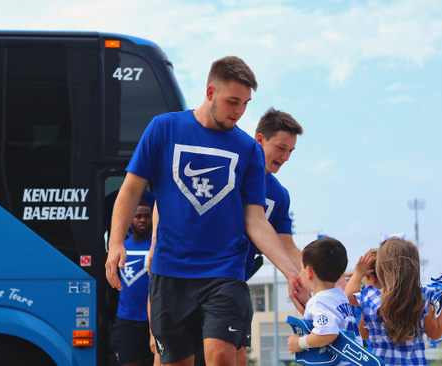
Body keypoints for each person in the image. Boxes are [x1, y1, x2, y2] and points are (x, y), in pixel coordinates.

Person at [105, 56, 302, 366]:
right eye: (232, 101)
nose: (239, 111)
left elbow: (255, 218)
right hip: (170, 271)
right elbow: (131, 189)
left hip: (224, 272)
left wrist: (291, 272)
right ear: (211, 93)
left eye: (245, 104)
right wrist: (116, 242)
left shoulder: (248, 149)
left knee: (222, 354)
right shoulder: (164, 128)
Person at [236, 107, 303, 366]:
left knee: (233, 354)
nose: (286, 157)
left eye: (291, 152)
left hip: (234, 282)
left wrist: (324, 276)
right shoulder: (230, 169)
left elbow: (288, 247)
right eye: (281, 148)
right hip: (193, 274)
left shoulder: (279, 194)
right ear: (260, 139)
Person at [344, 234, 442, 366]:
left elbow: (350, 298)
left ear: (380, 269)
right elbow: (435, 333)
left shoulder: (370, 299)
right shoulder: (421, 297)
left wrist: (358, 273)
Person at [287, 236, 361, 365]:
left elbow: (328, 333)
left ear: (309, 272)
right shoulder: (340, 295)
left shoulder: (318, 303)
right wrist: (307, 302)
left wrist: (299, 343)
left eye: (301, 267)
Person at [111, 201, 154, 366]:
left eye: (147, 216)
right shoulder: (120, 247)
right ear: (130, 219)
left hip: (157, 320)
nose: (142, 220)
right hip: (127, 321)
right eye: (138, 216)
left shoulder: (158, 245)